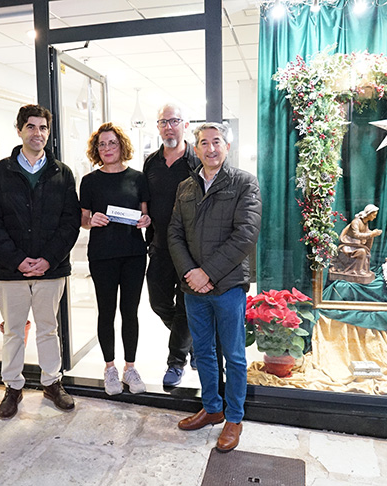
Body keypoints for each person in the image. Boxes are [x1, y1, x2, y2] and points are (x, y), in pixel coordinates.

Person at [0, 104, 80, 418]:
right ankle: (13, 387)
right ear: (20, 130)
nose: (38, 133)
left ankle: (52, 383)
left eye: (43, 128)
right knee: (13, 330)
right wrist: (17, 259)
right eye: (31, 127)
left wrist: (48, 259)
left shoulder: (62, 173)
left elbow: (70, 222)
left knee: (48, 329)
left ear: (48, 133)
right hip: (11, 271)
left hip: (51, 270)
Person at [168, 122, 262, 453]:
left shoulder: (244, 183)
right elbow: (174, 233)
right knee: (203, 350)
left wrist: (207, 273)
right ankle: (212, 408)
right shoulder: (185, 187)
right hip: (193, 288)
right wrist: (190, 273)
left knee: (234, 355)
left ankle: (234, 417)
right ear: (196, 149)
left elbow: (246, 234)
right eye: (204, 143)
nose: (210, 148)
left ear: (227, 147)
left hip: (228, 286)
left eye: (216, 142)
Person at [80, 122, 151, 396]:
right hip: (102, 255)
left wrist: (146, 220)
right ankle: (109, 368)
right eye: (102, 144)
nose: (107, 148)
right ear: (96, 150)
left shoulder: (138, 178)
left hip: (133, 254)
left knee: (130, 312)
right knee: (106, 311)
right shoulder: (89, 181)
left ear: (121, 146)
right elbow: (83, 219)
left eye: (112, 143)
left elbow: (145, 214)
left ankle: (129, 368)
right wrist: (91, 220)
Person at [143, 103, 199, 387]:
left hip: (191, 250)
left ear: (185, 125)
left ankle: (176, 362)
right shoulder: (150, 163)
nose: (168, 127)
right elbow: (145, 201)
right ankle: (194, 343)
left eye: (174, 121)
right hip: (160, 246)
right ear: (158, 127)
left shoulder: (197, 161)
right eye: (163, 122)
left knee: (186, 305)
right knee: (158, 302)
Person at [329, 204, 382, 284]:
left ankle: (360, 270)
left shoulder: (365, 223)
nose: (375, 217)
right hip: (348, 246)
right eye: (374, 215)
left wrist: (373, 233)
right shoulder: (356, 222)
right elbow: (356, 235)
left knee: (364, 251)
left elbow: (366, 232)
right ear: (369, 214)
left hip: (356, 245)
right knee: (362, 252)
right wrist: (371, 234)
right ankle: (357, 271)